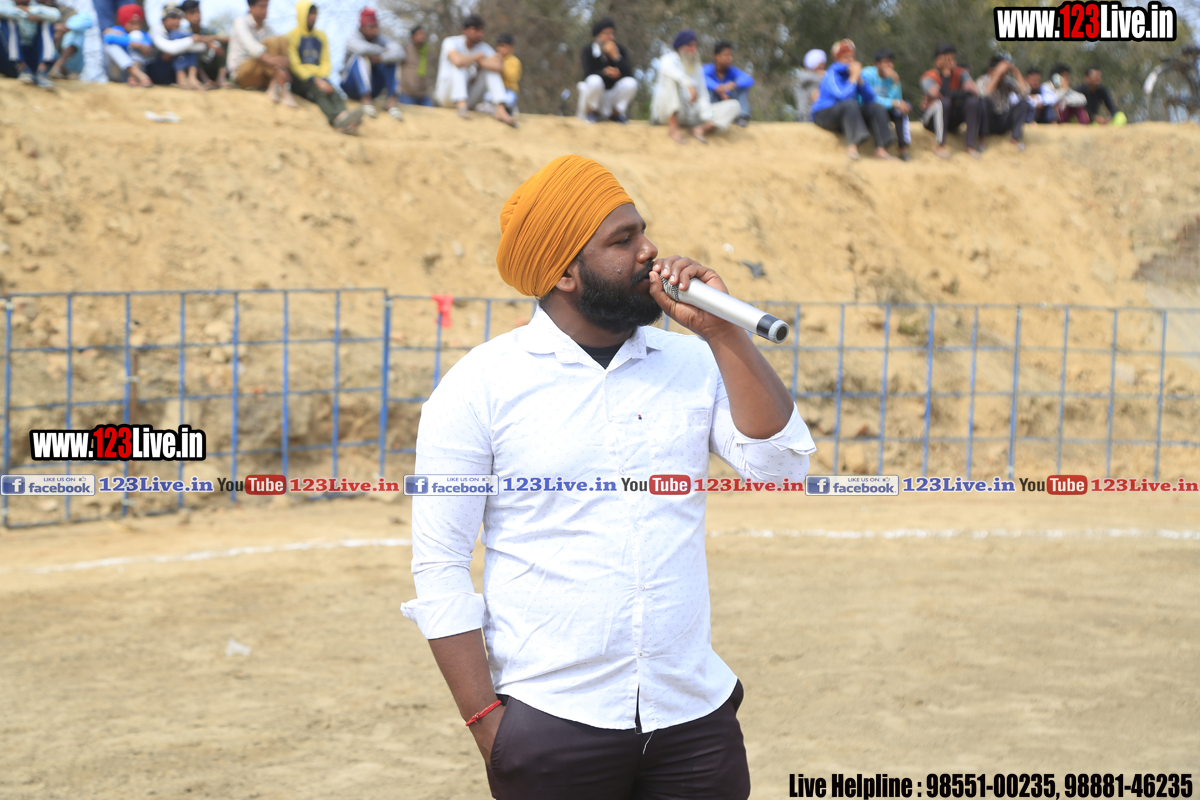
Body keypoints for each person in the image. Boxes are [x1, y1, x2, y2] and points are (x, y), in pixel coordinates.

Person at [400, 153, 814, 800]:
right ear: (565, 273)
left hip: (692, 718)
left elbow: (782, 467)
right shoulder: (479, 386)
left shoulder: (692, 360)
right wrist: (490, 728)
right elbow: (440, 564)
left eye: (643, 231)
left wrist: (724, 334)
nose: (650, 252)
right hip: (551, 723)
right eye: (623, 240)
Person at [285, 1, 364, 133]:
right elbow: (295, 65)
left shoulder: (321, 36)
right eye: (310, 13)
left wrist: (323, 79)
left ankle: (345, 116)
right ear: (302, 14)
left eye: (315, 13)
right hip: (302, 81)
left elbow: (325, 61)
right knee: (319, 92)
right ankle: (336, 120)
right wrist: (315, 80)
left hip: (321, 78)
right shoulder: (292, 36)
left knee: (333, 91)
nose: (313, 17)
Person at [650, 29, 741, 144]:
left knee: (734, 106)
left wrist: (706, 116)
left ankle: (700, 129)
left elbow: (703, 94)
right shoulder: (668, 59)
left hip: (691, 115)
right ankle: (673, 128)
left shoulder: (696, 67)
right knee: (670, 80)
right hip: (667, 114)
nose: (694, 49)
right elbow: (672, 72)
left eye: (695, 46)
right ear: (680, 47)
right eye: (690, 46)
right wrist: (688, 84)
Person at [812, 39, 894, 161]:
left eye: (852, 57)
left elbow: (870, 98)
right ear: (838, 59)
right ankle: (852, 148)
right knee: (850, 104)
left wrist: (860, 81)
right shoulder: (831, 74)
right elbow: (842, 97)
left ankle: (881, 150)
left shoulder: (853, 74)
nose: (851, 61)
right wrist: (854, 77)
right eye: (846, 58)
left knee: (876, 107)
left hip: (846, 112)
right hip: (824, 114)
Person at [435, 14, 516, 126]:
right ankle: (461, 104)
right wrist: (476, 57)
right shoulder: (451, 42)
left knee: (490, 70)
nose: (480, 34)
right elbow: (457, 61)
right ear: (465, 30)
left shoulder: (483, 47)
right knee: (460, 66)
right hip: (446, 96)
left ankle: (500, 109)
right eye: (476, 30)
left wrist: (480, 62)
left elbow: (498, 66)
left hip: (470, 97)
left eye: (481, 30)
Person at [919, 42, 983, 159]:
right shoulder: (928, 76)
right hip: (932, 120)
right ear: (937, 60)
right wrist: (946, 75)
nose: (951, 63)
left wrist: (954, 94)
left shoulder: (960, 72)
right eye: (947, 60)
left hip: (952, 118)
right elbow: (937, 95)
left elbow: (973, 91)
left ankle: (970, 146)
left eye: (952, 59)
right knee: (943, 103)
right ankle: (940, 146)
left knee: (972, 102)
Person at [340, 8, 404, 120]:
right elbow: (363, 50)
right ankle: (366, 100)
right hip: (351, 86)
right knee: (361, 57)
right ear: (362, 28)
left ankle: (391, 103)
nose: (375, 30)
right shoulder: (353, 38)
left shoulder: (381, 38)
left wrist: (381, 58)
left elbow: (400, 53)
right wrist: (384, 51)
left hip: (374, 87)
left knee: (391, 61)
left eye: (376, 26)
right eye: (371, 27)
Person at [227, 0, 292, 103]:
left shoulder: (267, 29)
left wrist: (284, 62)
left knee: (282, 39)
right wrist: (278, 63)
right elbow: (253, 48)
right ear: (251, 6)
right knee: (270, 42)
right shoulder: (241, 22)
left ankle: (274, 87)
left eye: (267, 6)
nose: (265, 10)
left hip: (264, 75)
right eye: (262, 6)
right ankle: (282, 88)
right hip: (243, 74)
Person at [578, 17, 636, 124]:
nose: (611, 37)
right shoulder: (588, 51)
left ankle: (616, 114)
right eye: (607, 34)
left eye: (612, 34)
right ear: (597, 36)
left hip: (612, 95)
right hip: (595, 95)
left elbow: (629, 74)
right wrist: (604, 73)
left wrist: (616, 58)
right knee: (595, 80)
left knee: (631, 83)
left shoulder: (620, 50)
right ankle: (592, 112)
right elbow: (587, 75)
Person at [861, 47, 911, 160]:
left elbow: (896, 101)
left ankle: (903, 149)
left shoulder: (893, 77)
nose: (890, 65)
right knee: (878, 108)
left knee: (901, 110)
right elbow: (869, 98)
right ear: (877, 64)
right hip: (865, 109)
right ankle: (880, 149)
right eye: (886, 62)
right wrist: (894, 103)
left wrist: (896, 83)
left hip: (882, 110)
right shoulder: (867, 74)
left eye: (891, 62)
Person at [977, 53, 1030, 151]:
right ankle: (982, 141)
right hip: (989, 120)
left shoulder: (1007, 81)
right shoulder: (983, 80)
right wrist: (997, 74)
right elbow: (985, 94)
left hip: (1003, 119)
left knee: (1024, 103)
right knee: (983, 103)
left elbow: (1025, 93)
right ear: (991, 70)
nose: (1004, 75)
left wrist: (1016, 72)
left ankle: (1015, 139)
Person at [145, 4, 208, 86]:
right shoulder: (155, 30)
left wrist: (191, 42)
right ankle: (182, 78)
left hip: (171, 71)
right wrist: (192, 40)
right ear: (163, 20)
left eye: (179, 18)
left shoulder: (181, 32)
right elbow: (171, 49)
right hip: (156, 70)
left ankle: (191, 78)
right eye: (173, 17)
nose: (176, 21)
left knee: (184, 45)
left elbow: (202, 47)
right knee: (182, 44)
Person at [2, 0, 60, 87]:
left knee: (47, 22)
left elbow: (56, 14)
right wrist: (27, 15)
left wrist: (27, 10)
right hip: (9, 60)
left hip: (32, 58)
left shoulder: (36, 6)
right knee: (9, 21)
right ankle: (21, 67)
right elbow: (2, 11)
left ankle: (42, 70)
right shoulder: (5, 4)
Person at [704, 40, 753, 127]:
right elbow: (699, 77)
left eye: (731, 55)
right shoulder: (708, 69)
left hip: (728, 100)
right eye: (726, 55)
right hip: (712, 105)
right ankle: (706, 118)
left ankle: (742, 117)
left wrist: (734, 84)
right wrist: (717, 88)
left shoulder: (732, 70)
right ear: (717, 56)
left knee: (742, 88)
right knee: (705, 89)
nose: (729, 58)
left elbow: (749, 79)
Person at [101, 3, 152, 86]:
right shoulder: (117, 29)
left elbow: (147, 45)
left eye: (138, 23)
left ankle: (133, 76)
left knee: (137, 36)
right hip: (117, 72)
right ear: (124, 22)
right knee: (111, 47)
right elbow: (107, 38)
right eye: (132, 23)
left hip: (135, 71)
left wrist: (128, 40)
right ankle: (135, 73)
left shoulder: (141, 33)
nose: (136, 26)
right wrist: (131, 41)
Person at [180, 0, 227, 88]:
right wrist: (205, 42)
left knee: (223, 44)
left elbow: (227, 37)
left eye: (198, 12)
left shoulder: (207, 31)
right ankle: (204, 79)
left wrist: (211, 39)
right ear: (185, 16)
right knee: (192, 51)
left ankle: (221, 77)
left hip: (210, 65)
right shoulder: (184, 33)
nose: (197, 15)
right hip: (196, 69)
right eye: (192, 12)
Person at [48, 9, 90, 79]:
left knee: (74, 34)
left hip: (71, 64)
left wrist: (65, 28)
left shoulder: (67, 10)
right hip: (50, 56)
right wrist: (52, 28)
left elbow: (88, 21)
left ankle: (58, 67)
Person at [399, 25, 432, 106]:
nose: (422, 36)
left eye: (423, 34)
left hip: (424, 94)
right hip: (407, 94)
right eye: (419, 34)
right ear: (413, 36)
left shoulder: (427, 51)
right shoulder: (406, 49)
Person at [793, 48, 825, 122]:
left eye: (823, 65)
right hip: (806, 118)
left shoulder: (818, 79)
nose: (822, 67)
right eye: (820, 65)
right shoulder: (805, 77)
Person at [494, 32, 519, 116]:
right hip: (495, 89)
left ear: (511, 47)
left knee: (509, 99)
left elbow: (512, 77)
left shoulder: (514, 61)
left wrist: (502, 65)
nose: (499, 48)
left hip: (508, 90)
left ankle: (509, 109)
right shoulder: (494, 58)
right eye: (498, 45)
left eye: (502, 46)